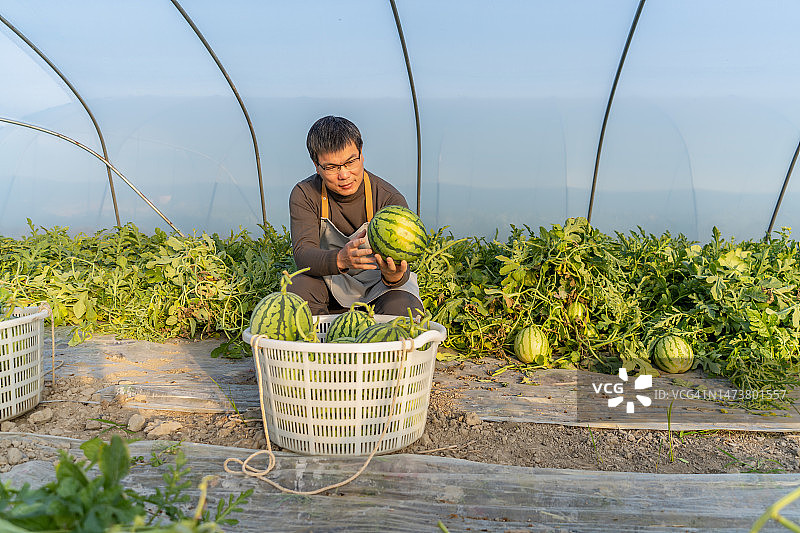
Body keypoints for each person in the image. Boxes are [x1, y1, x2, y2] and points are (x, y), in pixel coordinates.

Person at [287, 115, 424, 318]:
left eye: (351, 161)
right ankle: (317, 348)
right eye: (331, 167)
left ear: (361, 154)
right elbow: (303, 254)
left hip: (381, 287)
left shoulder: (388, 198)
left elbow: (402, 267)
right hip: (330, 282)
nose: (344, 175)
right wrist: (341, 258)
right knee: (297, 289)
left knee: (403, 309)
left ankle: (382, 347)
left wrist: (393, 276)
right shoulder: (305, 194)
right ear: (316, 165)